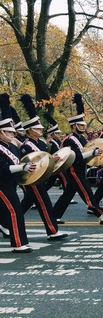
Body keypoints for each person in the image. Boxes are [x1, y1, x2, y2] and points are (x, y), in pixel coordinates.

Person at [52, 93, 103, 224]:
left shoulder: (81, 138)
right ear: (74, 126)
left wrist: (94, 154)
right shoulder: (69, 140)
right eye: (81, 125)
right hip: (74, 170)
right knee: (86, 192)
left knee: (68, 194)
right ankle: (99, 214)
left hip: (81, 169)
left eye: (84, 125)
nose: (84, 127)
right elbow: (77, 156)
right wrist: (93, 152)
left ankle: (54, 216)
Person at [17, 94, 68, 240]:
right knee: (44, 203)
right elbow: (32, 162)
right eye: (37, 128)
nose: (40, 130)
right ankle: (52, 231)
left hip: (39, 177)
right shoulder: (27, 145)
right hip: (31, 178)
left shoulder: (41, 143)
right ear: (29, 130)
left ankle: (6, 223)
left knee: (26, 203)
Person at [0, 94, 34, 252]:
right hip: (1, 185)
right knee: (14, 210)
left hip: (10, 184)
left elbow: (21, 158)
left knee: (15, 211)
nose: (13, 134)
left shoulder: (12, 146)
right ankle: (18, 243)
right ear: (1, 132)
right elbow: (3, 169)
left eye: (13, 132)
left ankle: (21, 241)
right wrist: (22, 168)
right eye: (10, 132)